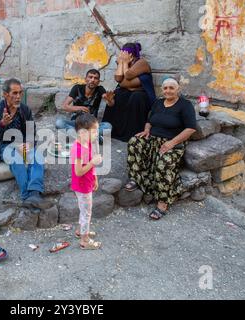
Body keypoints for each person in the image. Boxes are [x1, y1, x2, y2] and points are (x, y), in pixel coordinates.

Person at [125, 77, 196, 220]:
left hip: (172, 143)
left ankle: (162, 203)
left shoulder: (185, 105)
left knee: (164, 165)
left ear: (178, 89)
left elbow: (190, 128)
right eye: (165, 88)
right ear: (162, 89)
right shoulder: (158, 103)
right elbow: (149, 120)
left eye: (171, 88)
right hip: (153, 139)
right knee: (134, 142)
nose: (168, 91)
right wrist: (146, 130)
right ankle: (136, 179)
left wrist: (172, 143)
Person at [0, 78, 51, 210]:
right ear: (5, 94)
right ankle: (26, 197)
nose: (18, 96)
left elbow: (31, 131)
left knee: (37, 156)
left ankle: (35, 194)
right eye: (14, 93)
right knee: (16, 158)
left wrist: (29, 143)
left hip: (21, 144)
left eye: (20, 93)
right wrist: (1, 123)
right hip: (1, 146)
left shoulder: (25, 110)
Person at [102, 42, 156, 142]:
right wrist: (121, 63)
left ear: (130, 55)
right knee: (117, 94)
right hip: (129, 91)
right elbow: (118, 79)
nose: (122, 56)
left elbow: (128, 75)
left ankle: (132, 135)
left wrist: (125, 63)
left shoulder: (141, 62)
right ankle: (112, 132)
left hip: (143, 95)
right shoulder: (122, 61)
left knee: (136, 97)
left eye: (124, 54)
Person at [70, 113, 103, 250]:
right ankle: (84, 240)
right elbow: (78, 172)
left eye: (97, 130)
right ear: (82, 133)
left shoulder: (87, 143)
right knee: (86, 212)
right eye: (94, 131)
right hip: (82, 186)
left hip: (87, 182)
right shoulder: (77, 149)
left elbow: (90, 165)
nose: (97, 134)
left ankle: (81, 231)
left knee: (83, 210)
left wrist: (95, 177)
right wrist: (92, 162)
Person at [56, 69, 114, 143]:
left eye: (95, 78)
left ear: (98, 82)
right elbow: (64, 106)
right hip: (76, 124)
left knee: (108, 126)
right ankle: (92, 138)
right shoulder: (77, 88)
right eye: (90, 77)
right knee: (59, 123)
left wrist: (109, 100)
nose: (92, 80)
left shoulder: (100, 89)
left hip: (91, 125)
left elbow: (110, 103)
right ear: (85, 79)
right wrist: (80, 108)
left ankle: (77, 137)